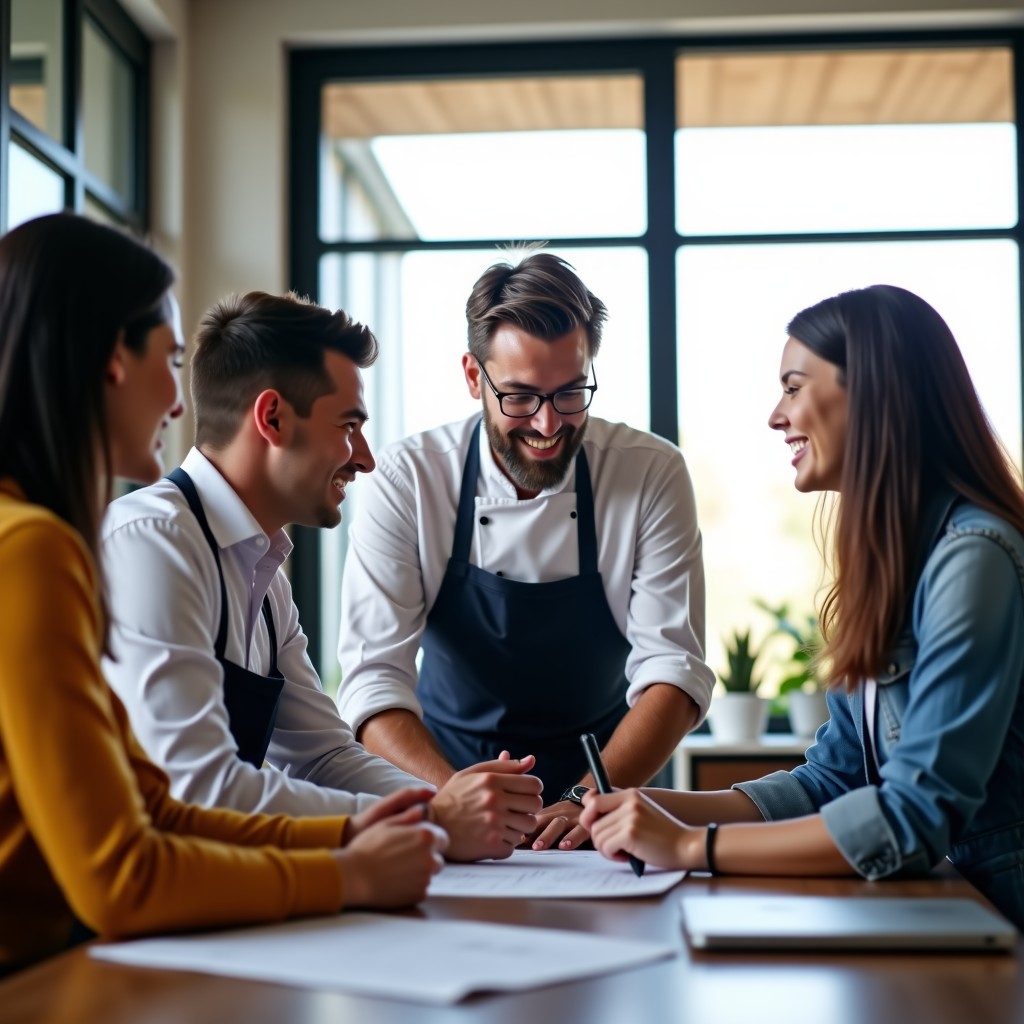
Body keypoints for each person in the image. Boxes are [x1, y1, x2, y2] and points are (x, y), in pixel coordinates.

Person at [0, 214, 447, 975]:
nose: (179, 400)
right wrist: (352, 870)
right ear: (114, 358)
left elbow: (157, 809)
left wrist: (407, 821)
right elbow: (126, 869)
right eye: (168, 358)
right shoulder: (54, 548)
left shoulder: (253, 563)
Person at [579, 284, 1024, 928]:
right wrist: (649, 808)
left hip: (997, 925)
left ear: (872, 393)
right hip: (949, 912)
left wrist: (685, 846)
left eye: (792, 386)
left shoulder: (973, 557)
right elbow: (834, 780)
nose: (775, 416)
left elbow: (911, 816)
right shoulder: (895, 565)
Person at [101, 290, 541, 863]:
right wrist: (433, 818)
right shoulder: (154, 542)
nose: (365, 458)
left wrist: (455, 801)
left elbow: (322, 756)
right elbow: (198, 787)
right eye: (349, 425)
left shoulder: (262, 571)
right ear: (273, 418)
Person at [336, 250, 716, 852]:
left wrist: (584, 799)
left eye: (570, 393)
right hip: (443, 795)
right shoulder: (409, 479)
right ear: (472, 376)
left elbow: (674, 669)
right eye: (519, 396)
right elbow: (373, 682)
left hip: (606, 805)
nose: (546, 424)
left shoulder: (650, 473)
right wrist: (454, 801)